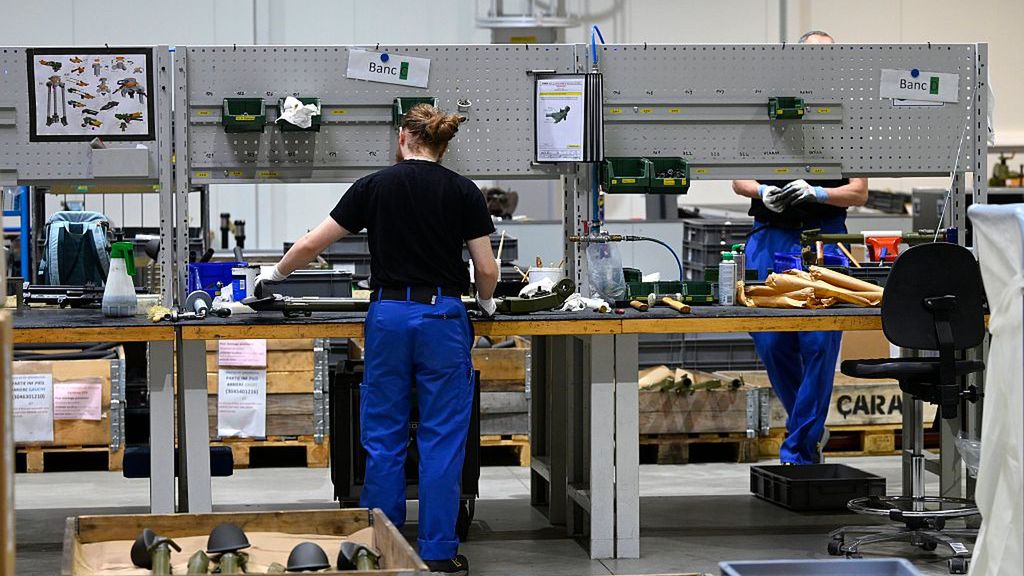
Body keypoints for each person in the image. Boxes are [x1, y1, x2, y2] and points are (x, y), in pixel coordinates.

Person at [257, 104, 498, 575]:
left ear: (403, 139)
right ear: (441, 145)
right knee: (442, 439)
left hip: (387, 316)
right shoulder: (463, 191)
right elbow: (486, 270)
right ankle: (437, 553)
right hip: (442, 317)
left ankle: (378, 551)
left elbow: (311, 245)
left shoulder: (374, 186)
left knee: (384, 437)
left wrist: (273, 275)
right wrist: (486, 304)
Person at [731, 31, 868, 465]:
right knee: (771, 341)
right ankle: (807, 426)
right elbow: (738, 179)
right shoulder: (768, 115)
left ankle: (800, 448)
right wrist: (765, 193)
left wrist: (820, 194)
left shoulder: (850, 118)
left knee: (819, 342)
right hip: (770, 236)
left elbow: (859, 193)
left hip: (827, 240)